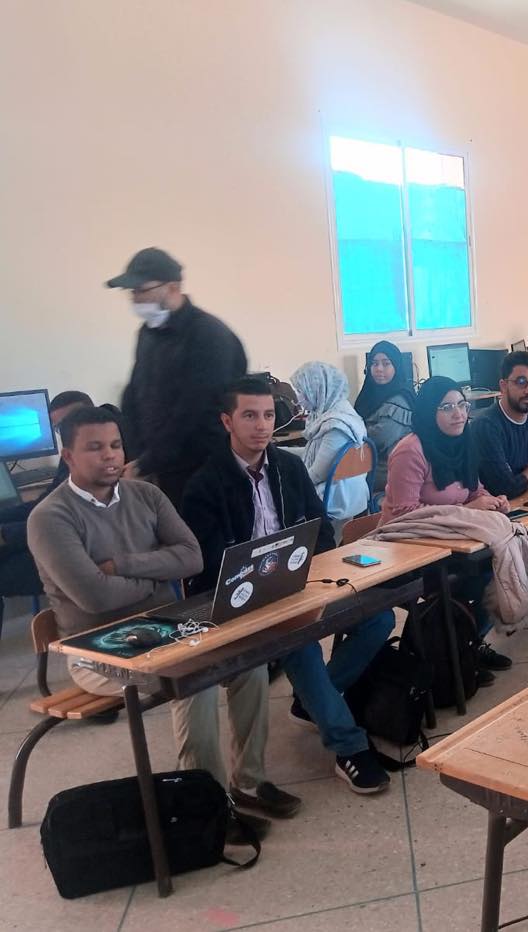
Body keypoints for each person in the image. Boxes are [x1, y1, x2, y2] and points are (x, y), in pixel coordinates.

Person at [26, 406, 298, 828]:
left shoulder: (146, 495)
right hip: (98, 650)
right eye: (95, 448)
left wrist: (120, 566)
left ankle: (249, 781)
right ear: (68, 457)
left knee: (250, 659)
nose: (110, 455)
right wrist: (155, 578)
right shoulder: (50, 517)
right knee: (194, 681)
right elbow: (95, 598)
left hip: (167, 628)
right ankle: (208, 808)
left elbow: (191, 558)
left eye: (116, 445)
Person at [181, 377, 394, 794]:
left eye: (268, 415)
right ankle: (348, 745)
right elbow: (207, 569)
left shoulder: (289, 468)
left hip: (299, 584)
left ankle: (312, 701)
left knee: (379, 616)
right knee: (300, 641)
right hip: (245, 602)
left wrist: (309, 578)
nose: (262, 425)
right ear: (227, 421)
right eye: (249, 415)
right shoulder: (205, 484)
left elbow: (322, 534)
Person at [382, 376, 512, 680]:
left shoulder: (463, 441)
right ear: (430, 411)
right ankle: (453, 656)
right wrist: (468, 511)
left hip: (451, 543)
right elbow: (404, 515)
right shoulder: (410, 451)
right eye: (447, 407)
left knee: (500, 569)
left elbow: (474, 490)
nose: (459, 414)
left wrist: (493, 501)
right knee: (477, 579)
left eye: (462, 405)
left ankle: (467, 647)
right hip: (406, 550)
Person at [109, 247, 247, 508]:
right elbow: (134, 395)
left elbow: (194, 411)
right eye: (132, 292)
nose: (135, 299)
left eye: (142, 290)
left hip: (202, 472)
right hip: (158, 469)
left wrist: (148, 462)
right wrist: (136, 457)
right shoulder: (148, 334)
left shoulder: (209, 336)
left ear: (172, 287)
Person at [0, 392, 94, 612]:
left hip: (80, 549)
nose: (65, 432)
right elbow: (46, 503)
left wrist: (6, 535)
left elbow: (74, 518)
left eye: (70, 421)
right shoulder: (72, 453)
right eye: (59, 427)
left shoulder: (97, 457)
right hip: (56, 536)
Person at [289, 361, 369, 531]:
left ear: (318, 389)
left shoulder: (337, 427)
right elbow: (316, 454)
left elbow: (317, 474)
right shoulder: (341, 414)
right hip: (347, 492)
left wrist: (287, 483)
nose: (298, 398)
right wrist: (281, 453)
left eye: (301, 391)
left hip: (335, 498)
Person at [472, 351, 528, 498]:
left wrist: (519, 482)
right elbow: (503, 489)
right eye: (521, 382)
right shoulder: (486, 426)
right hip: (498, 508)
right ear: (503, 386)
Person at [353, 340, 417, 491]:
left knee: (339, 479)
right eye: (374, 364)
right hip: (367, 463)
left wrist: (351, 432)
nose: (379, 369)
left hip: (387, 470)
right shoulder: (369, 395)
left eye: (386, 363)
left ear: (396, 367)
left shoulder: (400, 400)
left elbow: (379, 439)